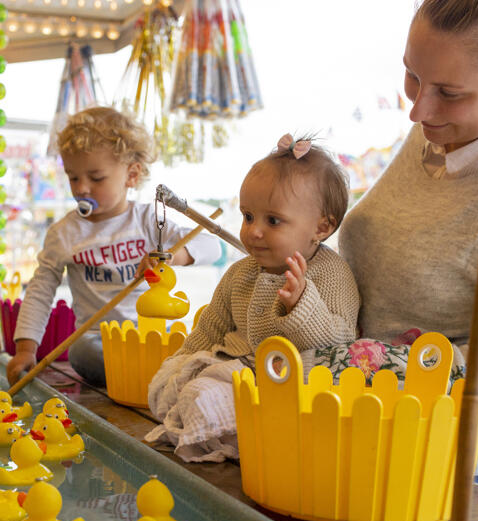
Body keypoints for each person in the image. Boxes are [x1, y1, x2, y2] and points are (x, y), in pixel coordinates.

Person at [338, 0, 478, 491]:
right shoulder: (431, 133)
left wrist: (372, 370)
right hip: (363, 424)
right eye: (412, 76)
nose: (418, 109)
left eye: (449, 93)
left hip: (445, 461)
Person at [146, 134, 360, 462]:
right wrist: (181, 363)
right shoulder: (241, 272)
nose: (254, 231)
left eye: (272, 221)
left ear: (321, 226)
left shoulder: (330, 273)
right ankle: (216, 424)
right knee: (168, 388)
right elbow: (209, 329)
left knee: (203, 397)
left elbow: (341, 339)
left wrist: (302, 303)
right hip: (233, 369)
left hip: (288, 384)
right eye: (248, 216)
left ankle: (236, 433)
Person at [6, 106, 221, 387]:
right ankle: (159, 377)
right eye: (73, 177)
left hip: (154, 333)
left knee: (198, 342)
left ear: (132, 175)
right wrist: (26, 349)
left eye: (96, 178)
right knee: (81, 352)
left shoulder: (146, 220)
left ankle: (157, 374)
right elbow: (40, 291)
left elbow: (212, 247)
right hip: (100, 340)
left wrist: (171, 256)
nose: (82, 188)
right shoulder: (64, 233)